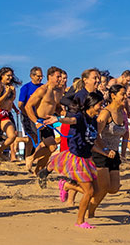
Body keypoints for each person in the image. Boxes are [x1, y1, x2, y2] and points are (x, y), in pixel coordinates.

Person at [38, 92, 106, 229]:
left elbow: (90, 142)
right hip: (77, 159)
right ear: (92, 105)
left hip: (87, 158)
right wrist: (58, 119)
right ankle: (80, 221)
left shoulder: (93, 120)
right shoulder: (81, 117)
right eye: (100, 104)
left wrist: (103, 152)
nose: (101, 107)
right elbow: (71, 120)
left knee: (97, 191)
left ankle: (67, 186)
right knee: (89, 192)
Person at [87, 84, 128, 217]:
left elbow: (125, 134)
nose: (125, 96)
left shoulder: (122, 112)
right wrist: (104, 149)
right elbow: (95, 134)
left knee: (114, 188)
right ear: (113, 95)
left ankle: (75, 188)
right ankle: (90, 211)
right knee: (103, 187)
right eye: (122, 94)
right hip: (101, 153)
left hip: (114, 153)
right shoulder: (105, 113)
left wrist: (123, 153)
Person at [24, 66, 66, 177]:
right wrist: (36, 121)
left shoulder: (58, 91)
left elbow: (55, 106)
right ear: (50, 77)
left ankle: (37, 172)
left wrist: (61, 111)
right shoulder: (42, 90)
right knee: (51, 147)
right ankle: (31, 157)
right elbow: (28, 106)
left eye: (60, 77)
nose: (59, 79)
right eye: (57, 77)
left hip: (49, 121)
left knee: (52, 148)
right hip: (38, 120)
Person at [18, 67, 43, 158]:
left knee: (39, 137)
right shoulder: (26, 87)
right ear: (32, 76)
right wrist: (27, 113)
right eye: (38, 76)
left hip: (39, 115)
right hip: (27, 115)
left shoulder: (43, 87)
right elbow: (20, 104)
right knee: (31, 137)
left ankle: (35, 157)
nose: (40, 78)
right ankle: (28, 156)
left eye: (41, 76)